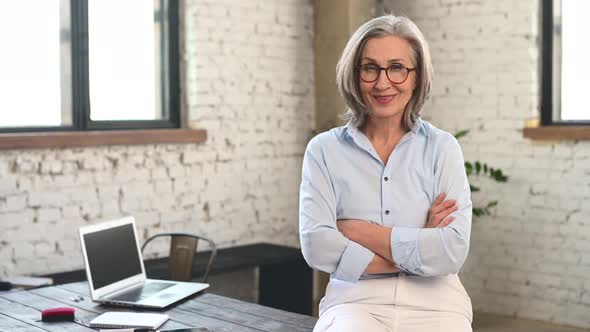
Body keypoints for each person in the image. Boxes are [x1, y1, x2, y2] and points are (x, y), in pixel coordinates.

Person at [299, 15, 473, 331]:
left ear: (417, 77)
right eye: (370, 68)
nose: (382, 83)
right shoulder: (323, 151)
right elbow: (317, 245)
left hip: (438, 304)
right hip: (354, 301)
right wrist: (419, 248)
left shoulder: (442, 148)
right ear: (355, 74)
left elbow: (451, 251)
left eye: (397, 68)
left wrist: (360, 232)